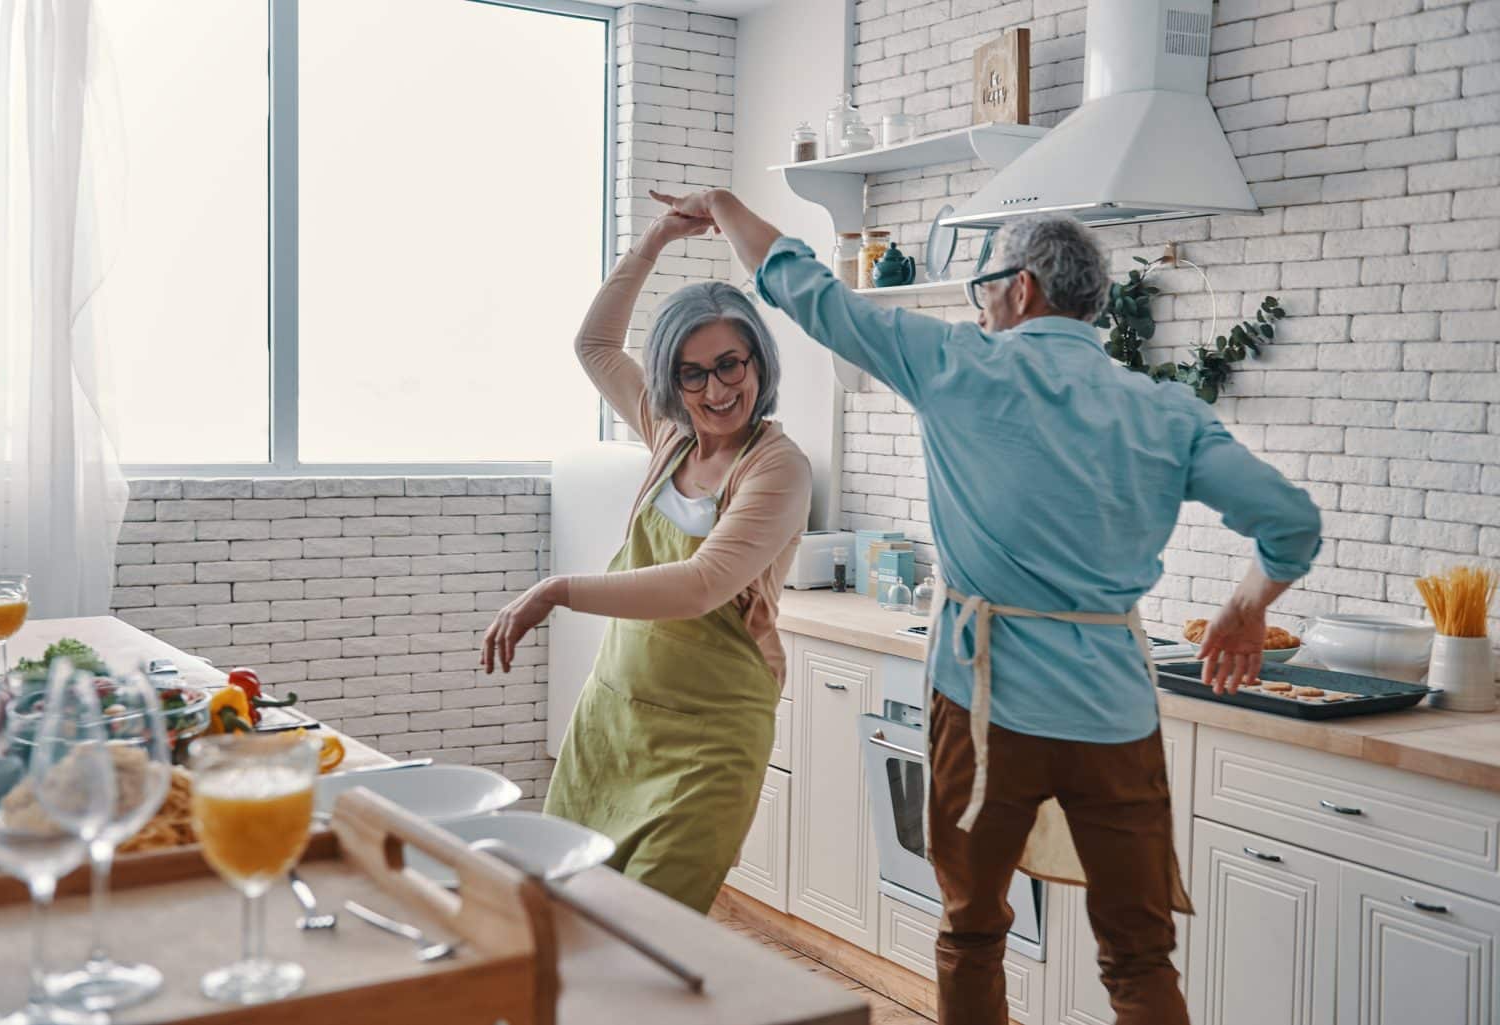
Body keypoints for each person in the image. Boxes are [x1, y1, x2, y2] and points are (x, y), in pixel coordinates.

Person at [651, 188, 1321, 1025]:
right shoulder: (1162, 408)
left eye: (983, 284)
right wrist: (1248, 605)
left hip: (981, 708)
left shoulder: (954, 364)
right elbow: (1292, 525)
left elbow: (805, 288)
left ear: (1023, 287)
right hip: (1113, 715)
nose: (980, 302)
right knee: (1139, 955)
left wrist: (723, 207)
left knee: (971, 932)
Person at [479, 206, 812, 915]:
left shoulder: (777, 467)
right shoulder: (671, 435)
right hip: (612, 722)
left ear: (758, 361)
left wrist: (558, 590)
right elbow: (595, 343)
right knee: (563, 913)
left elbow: (702, 584)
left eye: (730, 364)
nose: (716, 391)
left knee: (647, 929)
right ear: (671, 381)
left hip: (707, 742)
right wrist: (654, 241)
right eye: (693, 374)